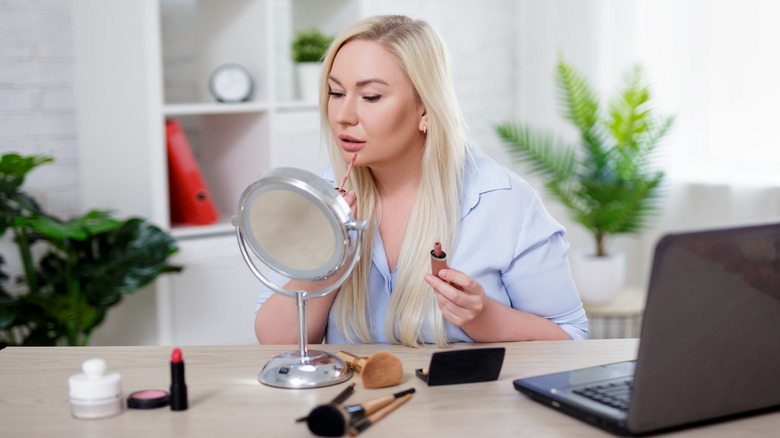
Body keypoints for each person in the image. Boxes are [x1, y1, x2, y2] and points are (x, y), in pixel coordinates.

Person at [254, 15, 588, 347]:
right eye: (335, 93)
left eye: (370, 97)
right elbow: (275, 341)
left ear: (425, 108)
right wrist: (325, 257)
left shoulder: (505, 201)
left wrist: (483, 317)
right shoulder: (321, 197)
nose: (342, 116)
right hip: (352, 401)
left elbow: (570, 336)